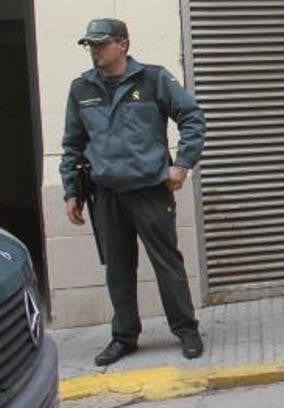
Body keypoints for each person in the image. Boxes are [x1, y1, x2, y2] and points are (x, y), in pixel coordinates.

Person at [61, 19, 207, 366]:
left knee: (167, 264)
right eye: (91, 45)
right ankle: (124, 336)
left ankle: (186, 330)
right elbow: (73, 144)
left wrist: (182, 164)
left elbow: (192, 117)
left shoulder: (153, 79)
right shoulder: (81, 89)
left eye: (101, 43)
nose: (95, 50)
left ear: (123, 45)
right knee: (118, 269)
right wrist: (72, 192)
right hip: (107, 194)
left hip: (150, 191)